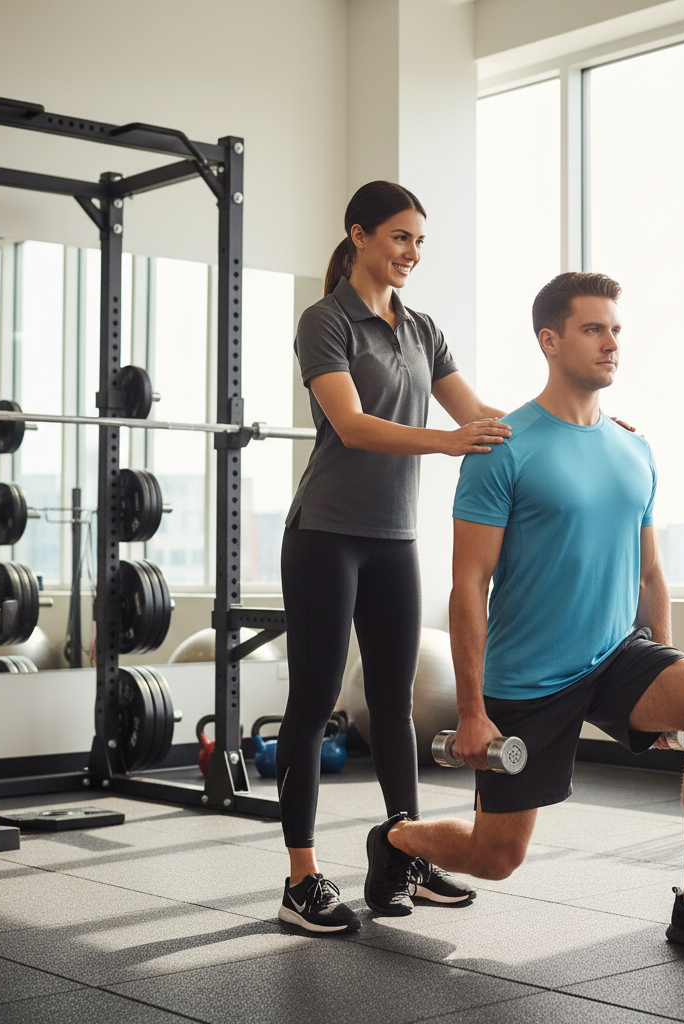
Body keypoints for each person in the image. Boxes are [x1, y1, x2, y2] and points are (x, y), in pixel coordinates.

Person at [364, 271, 684, 960]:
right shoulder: (504, 447)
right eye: (593, 329)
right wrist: (469, 709)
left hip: (617, 653)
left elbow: (649, 572)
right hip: (527, 679)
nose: (611, 343)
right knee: (497, 857)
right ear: (550, 341)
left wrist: (666, 662)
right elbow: (469, 584)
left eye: (616, 329)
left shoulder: (634, 448)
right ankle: (396, 840)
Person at [276, 180, 513, 935]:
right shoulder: (325, 321)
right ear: (360, 236)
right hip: (326, 534)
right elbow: (350, 424)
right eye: (400, 237)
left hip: (393, 539)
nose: (412, 253)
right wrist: (446, 443)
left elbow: (480, 417)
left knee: (395, 701)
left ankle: (404, 848)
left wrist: (585, 421)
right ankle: (302, 878)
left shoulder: (423, 330)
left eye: (419, 242)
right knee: (314, 704)